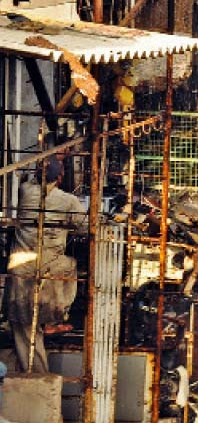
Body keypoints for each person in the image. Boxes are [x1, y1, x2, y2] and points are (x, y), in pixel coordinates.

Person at [8, 157, 86, 372]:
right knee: (71, 267)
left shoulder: (25, 191)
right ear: (60, 177)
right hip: (50, 264)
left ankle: (46, 322)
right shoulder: (68, 200)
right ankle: (56, 314)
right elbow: (86, 227)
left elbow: (28, 184)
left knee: (22, 319)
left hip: (21, 264)